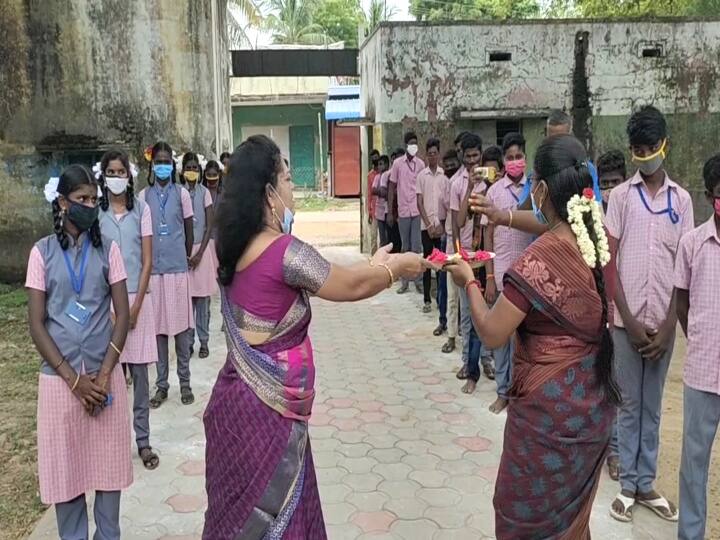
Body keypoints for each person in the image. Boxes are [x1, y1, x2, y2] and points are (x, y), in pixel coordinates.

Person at [203, 135, 423, 539]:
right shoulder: (286, 251)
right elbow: (350, 286)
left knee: (238, 520)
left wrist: (374, 266)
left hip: (233, 407)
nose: (293, 188)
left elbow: (352, 277)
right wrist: (394, 270)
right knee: (279, 514)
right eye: (287, 179)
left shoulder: (231, 249)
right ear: (270, 195)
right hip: (267, 418)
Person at [445, 134, 619, 539]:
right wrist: (502, 216)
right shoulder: (598, 244)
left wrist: (469, 281)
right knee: (573, 522)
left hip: (547, 417)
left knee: (523, 515)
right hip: (591, 412)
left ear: (539, 190)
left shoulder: (541, 259)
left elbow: (492, 332)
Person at [27, 165, 132, 539]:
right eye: (82, 199)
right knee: (68, 481)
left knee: (108, 479)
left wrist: (103, 376)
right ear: (62, 203)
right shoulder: (41, 253)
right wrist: (74, 381)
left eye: (94, 199)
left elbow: (122, 316)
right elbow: (37, 323)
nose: (90, 206)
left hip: (105, 382)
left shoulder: (110, 250)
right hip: (60, 384)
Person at [606, 105, 693, 523]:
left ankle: (646, 483)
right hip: (627, 324)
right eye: (637, 149)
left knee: (653, 407)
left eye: (651, 147)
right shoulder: (621, 197)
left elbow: (684, 269)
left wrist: (670, 327)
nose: (645, 156)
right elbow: (609, 261)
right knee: (629, 402)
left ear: (664, 146)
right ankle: (626, 486)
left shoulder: (683, 200)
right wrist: (627, 316)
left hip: (664, 326)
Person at [98, 150, 160, 470]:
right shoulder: (97, 214)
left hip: (138, 299)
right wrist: (108, 309)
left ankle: (143, 441)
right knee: (111, 374)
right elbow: (97, 261)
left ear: (129, 175)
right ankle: (114, 442)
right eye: (111, 171)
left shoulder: (142, 211)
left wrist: (134, 309)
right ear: (103, 176)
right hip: (107, 304)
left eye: (121, 171)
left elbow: (148, 260)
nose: (116, 177)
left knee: (139, 375)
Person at [675, 154, 720, 540]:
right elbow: (681, 301)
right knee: (693, 463)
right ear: (710, 197)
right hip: (702, 372)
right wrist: (702, 337)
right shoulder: (692, 244)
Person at [139, 141, 197, 408]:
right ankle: (162, 385)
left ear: (172, 165)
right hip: (155, 274)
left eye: (166, 161)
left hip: (177, 270)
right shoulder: (142, 197)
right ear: (152, 166)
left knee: (182, 330)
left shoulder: (182, 194)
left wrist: (183, 257)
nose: (162, 165)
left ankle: (185, 383)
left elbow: (189, 231)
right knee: (160, 331)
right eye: (158, 161)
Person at [483, 134, 534, 414]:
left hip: (528, 276)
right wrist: (489, 276)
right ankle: (503, 391)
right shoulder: (494, 192)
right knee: (502, 340)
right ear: (503, 161)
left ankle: (520, 394)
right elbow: (487, 235)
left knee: (525, 341)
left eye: (519, 156)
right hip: (502, 274)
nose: (515, 161)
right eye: (510, 157)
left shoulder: (534, 190)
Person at [451, 133, 494, 392]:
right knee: (468, 313)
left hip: (486, 255)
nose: (472, 161)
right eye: (467, 157)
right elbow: (459, 223)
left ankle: (487, 359)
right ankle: (468, 362)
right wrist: (469, 188)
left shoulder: (493, 182)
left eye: (475, 156)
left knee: (486, 311)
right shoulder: (457, 184)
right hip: (467, 255)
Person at [596, 149, 627, 481]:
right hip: (594, 311)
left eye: (615, 182)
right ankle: (598, 445)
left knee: (618, 384)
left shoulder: (628, 212)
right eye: (604, 183)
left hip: (620, 314)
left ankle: (616, 452)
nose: (609, 190)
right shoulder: (588, 215)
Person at [181, 152, 217, 359]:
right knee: (187, 303)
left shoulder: (205, 193)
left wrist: (200, 253)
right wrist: (186, 254)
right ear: (182, 170)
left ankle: (204, 342)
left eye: (195, 168)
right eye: (189, 167)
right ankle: (188, 342)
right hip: (184, 254)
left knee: (202, 303)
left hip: (201, 253)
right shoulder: (178, 192)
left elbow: (209, 224)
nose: (192, 171)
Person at [388, 132, 425, 293]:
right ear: (405, 145)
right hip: (403, 210)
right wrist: (390, 211)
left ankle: (418, 281)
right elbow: (391, 187)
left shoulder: (421, 164)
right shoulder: (397, 164)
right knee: (405, 247)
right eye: (410, 143)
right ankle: (404, 282)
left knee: (416, 246)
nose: (413, 146)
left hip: (417, 211)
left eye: (415, 143)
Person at [416, 137, 446, 318]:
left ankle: (439, 299)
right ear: (426, 156)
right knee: (427, 262)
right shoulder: (422, 176)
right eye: (429, 154)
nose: (432, 157)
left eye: (435, 153)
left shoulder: (444, 176)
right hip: (426, 226)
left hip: (440, 226)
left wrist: (440, 225)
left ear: (438, 154)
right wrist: (428, 225)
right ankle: (426, 299)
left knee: (441, 263)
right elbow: (419, 202)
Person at [439, 149, 461, 350]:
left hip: (472, 247)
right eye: (446, 164)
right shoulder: (447, 184)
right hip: (450, 245)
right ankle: (452, 336)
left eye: (453, 162)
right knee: (452, 295)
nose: (450, 167)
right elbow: (443, 215)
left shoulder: (467, 181)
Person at [372, 155, 391, 247]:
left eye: (381, 164)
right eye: (378, 164)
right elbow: (373, 190)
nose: (379, 167)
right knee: (382, 237)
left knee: (389, 237)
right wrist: (384, 192)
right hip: (379, 211)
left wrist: (382, 192)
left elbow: (379, 191)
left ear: (387, 165)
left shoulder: (390, 175)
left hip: (388, 210)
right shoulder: (377, 177)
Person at [367, 149, 380, 226]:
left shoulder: (385, 174)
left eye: (376, 157)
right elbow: (369, 194)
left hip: (384, 210)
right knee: (373, 235)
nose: (375, 160)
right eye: (373, 159)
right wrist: (369, 211)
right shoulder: (370, 176)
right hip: (374, 210)